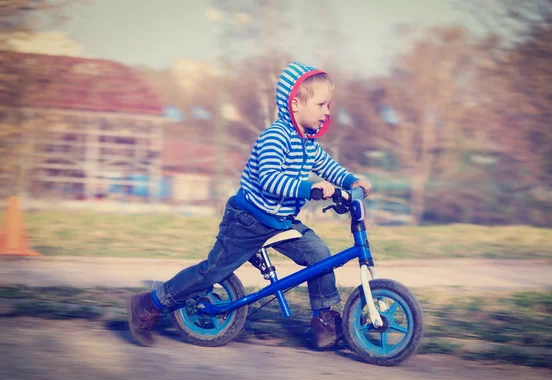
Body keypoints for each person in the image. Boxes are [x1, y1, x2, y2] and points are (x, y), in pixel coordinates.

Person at [127, 62, 372, 349]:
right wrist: (310, 188)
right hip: (248, 220)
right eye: (321, 104)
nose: (327, 111)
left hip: (281, 221)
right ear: (295, 104)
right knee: (212, 272)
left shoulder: (308, 143)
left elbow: (327, 166)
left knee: (319, 253)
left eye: (328, 105)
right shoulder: (275, 137)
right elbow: (270, 179)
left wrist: (352, 181)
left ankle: (325, 322)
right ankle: (149, 304)